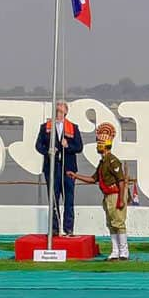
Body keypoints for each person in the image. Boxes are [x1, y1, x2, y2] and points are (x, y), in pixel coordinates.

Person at [68, 123, 128, 261]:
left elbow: (121, 180)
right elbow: (93, 178)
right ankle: (115, 250)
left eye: (100, 143)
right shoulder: (102, 162)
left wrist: (121, 199)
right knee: (111, 223)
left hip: (115, 193)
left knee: (118, 222)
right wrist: (76, 176)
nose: (97, 146)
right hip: (107, 195)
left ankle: (124, 250)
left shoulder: (113, 161)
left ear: (105, 144)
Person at [36, 101, 84, 236]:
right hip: (51, 168)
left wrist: (68, 145)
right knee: (53, 199)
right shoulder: (45, 127)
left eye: (61, 109)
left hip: (68, 169)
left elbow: (79, 147)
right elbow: (38, 145)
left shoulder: (73, 128)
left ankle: (69, 229)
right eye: (57, 109)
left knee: (69, 199)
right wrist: (48, 151)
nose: (59, 111)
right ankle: (54, 229)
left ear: (66, 111)